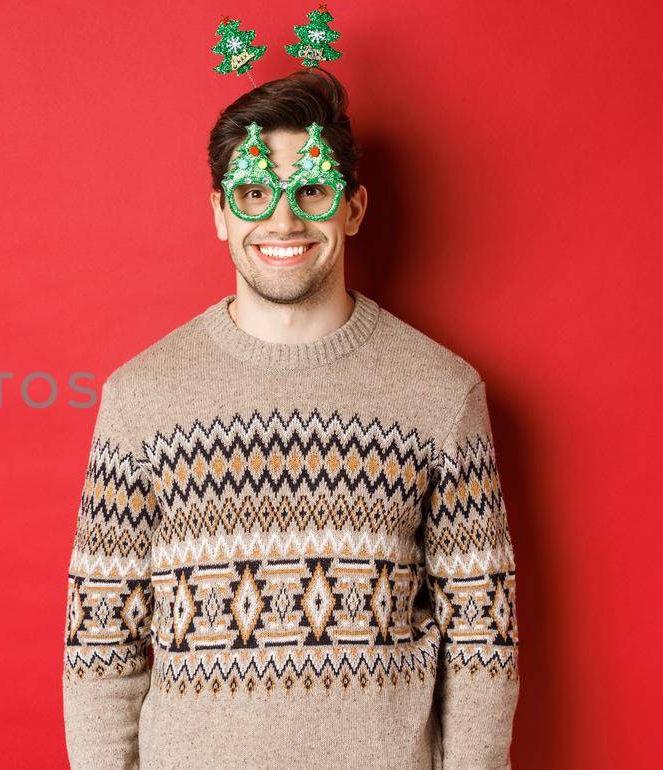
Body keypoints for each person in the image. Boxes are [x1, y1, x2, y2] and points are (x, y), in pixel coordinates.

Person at [60, 69, 520, 768]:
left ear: (354, 208)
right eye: (253, 193)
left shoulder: (442, 393)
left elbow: (484, 640)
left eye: (310, 189)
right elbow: (100, 645)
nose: (282, 220)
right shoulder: (140, 399)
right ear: (220, 212)